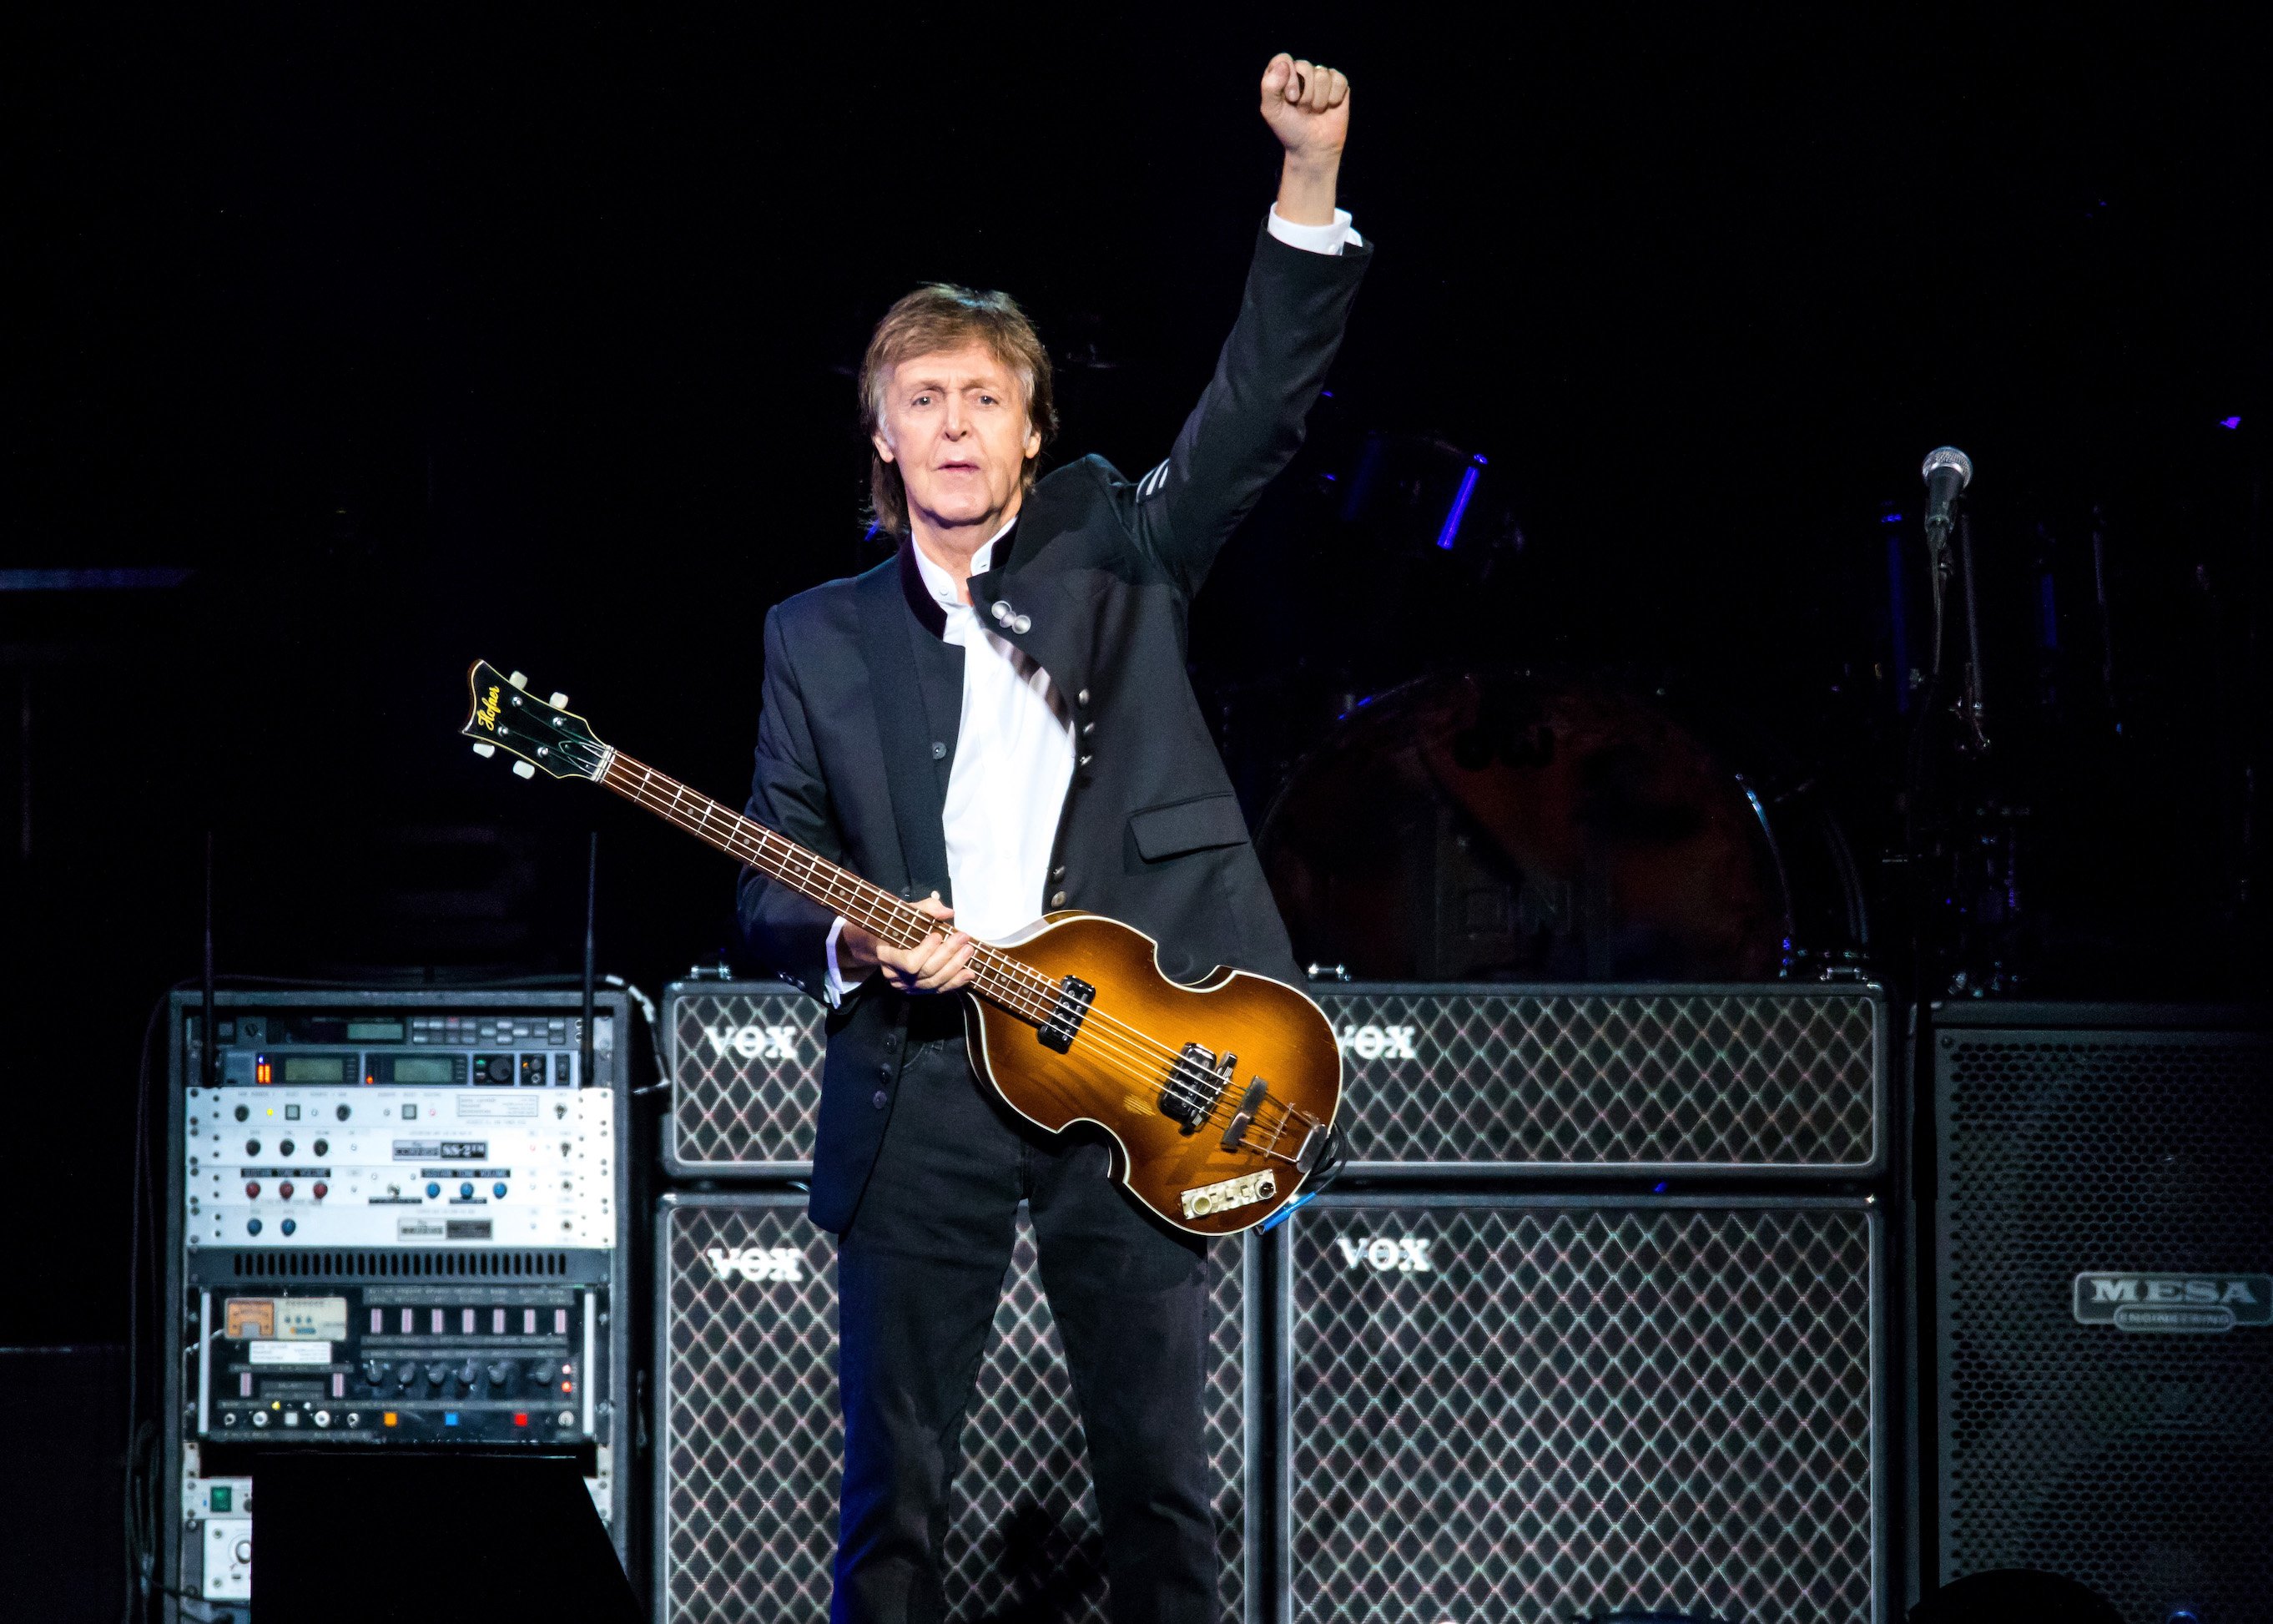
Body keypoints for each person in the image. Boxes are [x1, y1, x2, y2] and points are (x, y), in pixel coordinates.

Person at [738, 52, 1368, 1624]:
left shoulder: (1118, 542)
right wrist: (850, 935)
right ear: (880, 436)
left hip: (1138, 1048)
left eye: (987, 401)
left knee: (1162, 1491)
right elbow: (766, 871)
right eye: (925, 401)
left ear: (1032, 434)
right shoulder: (812, 638)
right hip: (925, 1076)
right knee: (893, 1504)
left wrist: (1307, 177)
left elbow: (1258, 410)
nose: (956, 428)